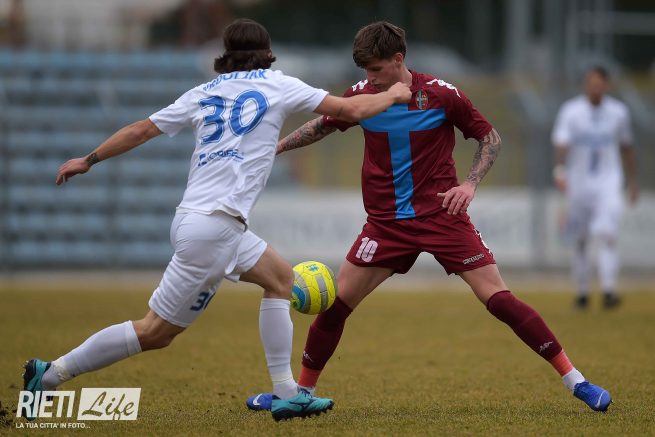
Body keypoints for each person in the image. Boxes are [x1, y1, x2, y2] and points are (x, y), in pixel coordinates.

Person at [20, 18, 411, 422]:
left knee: (280, 279)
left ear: (225, 55)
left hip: (203, 221)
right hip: (215, 229)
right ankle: (50, 374)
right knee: (155, 331)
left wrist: (89, 159)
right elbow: (351, 109)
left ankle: (286, 393)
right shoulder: (278, 84)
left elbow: (140, 130)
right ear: (268, 53)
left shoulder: (203, 92)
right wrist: (395, 94)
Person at [246, 21, 612, 413]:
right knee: (335, 307)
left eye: (376, 69)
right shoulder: (362, 96)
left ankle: (577, 381)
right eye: (365, 71)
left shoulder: (441, 95)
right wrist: (276, 148)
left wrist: (469, 184)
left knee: (500, 301)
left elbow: (490, 137)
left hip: (442, 217)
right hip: (386, 225)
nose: (370, 78)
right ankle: (300, 393)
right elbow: (322, 126)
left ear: (398, 59)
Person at [552, 66, 638, 310]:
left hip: (608, 182)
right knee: (580, 238)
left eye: (599, 83)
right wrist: (560, 171)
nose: (595, 87)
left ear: (606, 85)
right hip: (579, 184)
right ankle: (582, 293)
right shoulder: (571, 111)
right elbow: (561, 143)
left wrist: (633, 180)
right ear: (585, 85)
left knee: (607, 233)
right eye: (591, 83)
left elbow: (626, 146)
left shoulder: (618, 112)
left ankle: (609, 290)